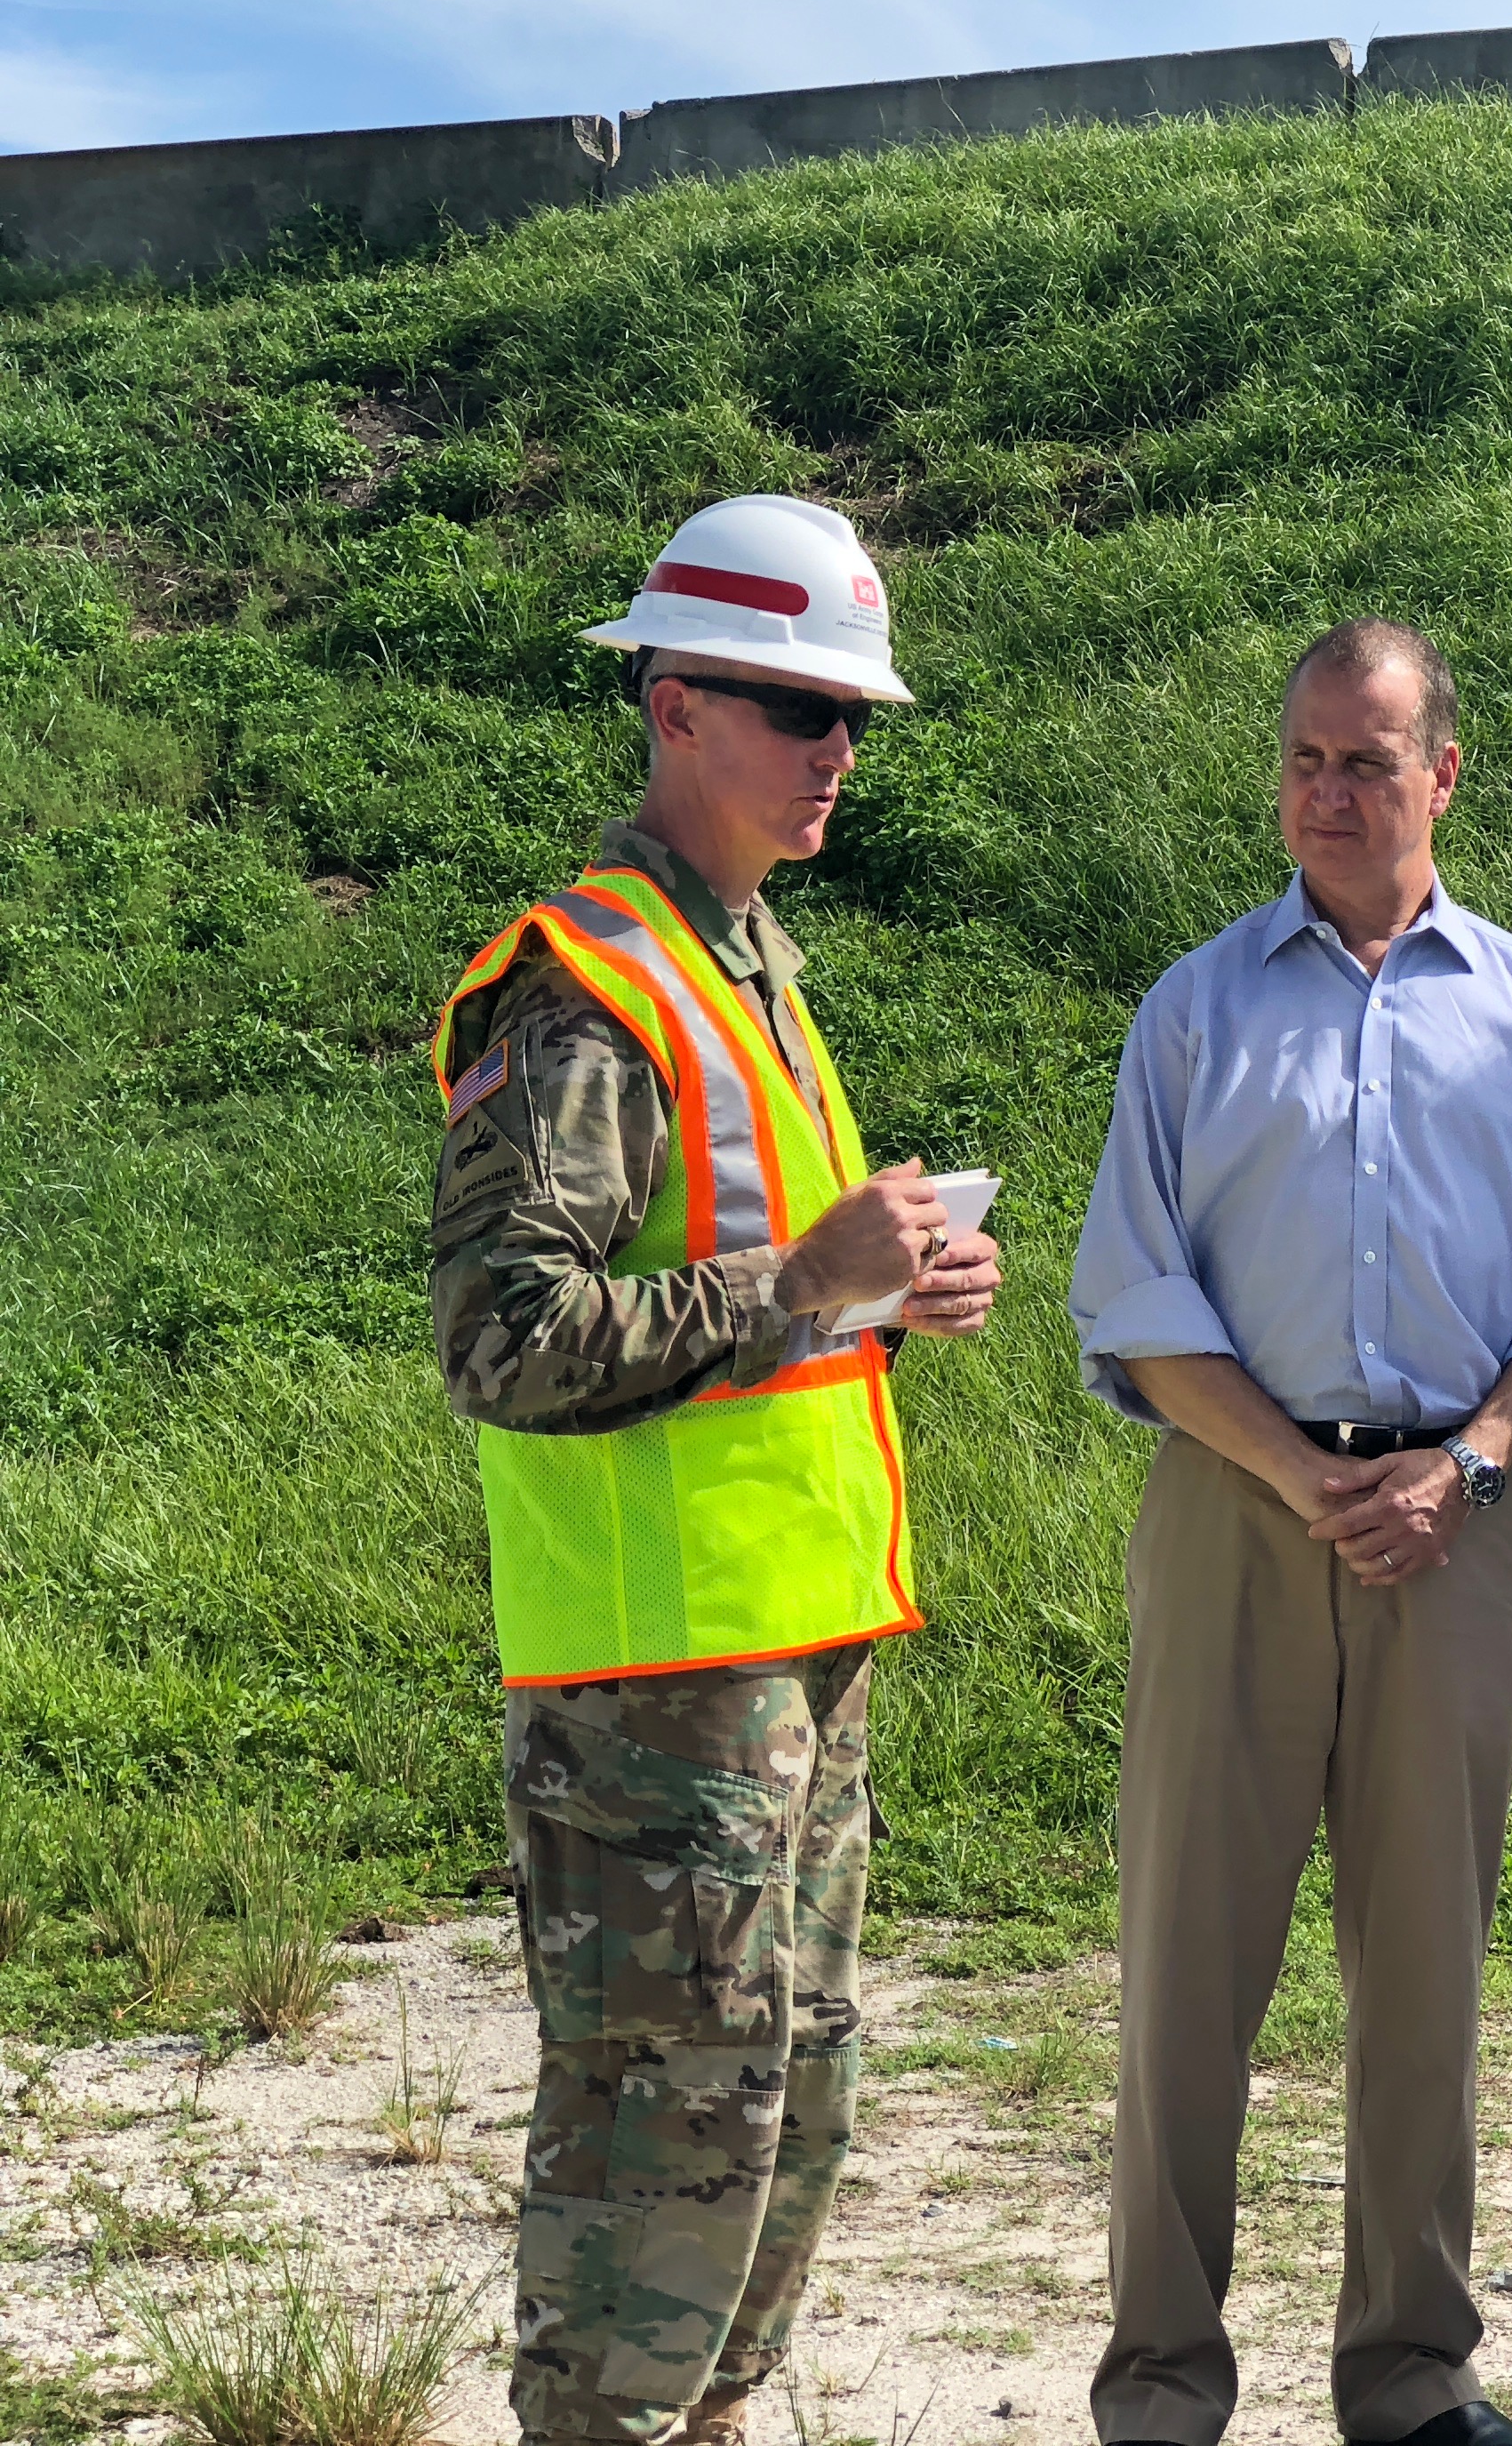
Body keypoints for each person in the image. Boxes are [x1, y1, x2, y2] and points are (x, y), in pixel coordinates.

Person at [430, 493, 1003, 2446]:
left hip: (789, 1661)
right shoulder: (586, 986)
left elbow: (755, 1303)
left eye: (855, 717)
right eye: (793, 706)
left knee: (781, 2098)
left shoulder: (735, 958)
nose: (836, 751)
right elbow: (505, 1342)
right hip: (651, 1688)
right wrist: (803, 1280)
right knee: (661, 2122)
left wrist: (883, 1298)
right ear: (674, 709)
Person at [1070, 620, 1512, 2446]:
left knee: (1426, 1970)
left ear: (1443, 776)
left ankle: (1411, 2374)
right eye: (1308, 758)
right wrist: (1289, 1469)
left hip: (1456, 1528)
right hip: (1239, 1511)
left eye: (1369, 762)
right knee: (1187, 1967)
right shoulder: (1197, 1008)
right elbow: (1137, 1297)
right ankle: (1161, 2382)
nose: (1330, 792)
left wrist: (1462, 1464)